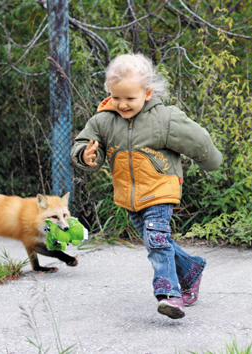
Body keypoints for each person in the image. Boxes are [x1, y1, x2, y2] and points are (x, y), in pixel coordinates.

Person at [70, 53, 223, 319]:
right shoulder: (104, 120)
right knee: (156, 240)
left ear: (148, 92)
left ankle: (170, 294)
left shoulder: (165, 118)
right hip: (129, 195)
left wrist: (212, 162)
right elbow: (84, 141)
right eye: (116, 97)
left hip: (160, 187)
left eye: (130, 98)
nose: (122, 104)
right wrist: (85, 154)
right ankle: (191, 269)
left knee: (156, 239)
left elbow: (198, 140)